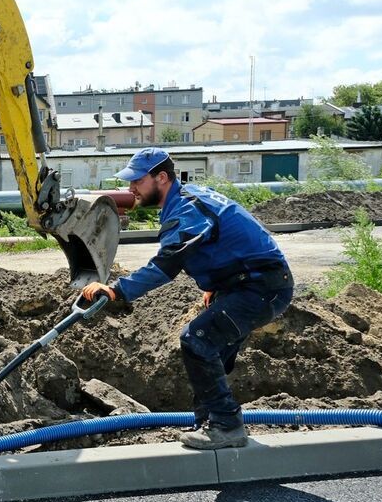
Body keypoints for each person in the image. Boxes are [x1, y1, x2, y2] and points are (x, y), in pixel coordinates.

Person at [80, 148, 294, 450]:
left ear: (161, 178)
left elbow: (167, 265)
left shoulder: (186, 209)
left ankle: (226, 426)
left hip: (261, 288)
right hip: (253, 284)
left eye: (137, 182)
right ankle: (209, 423)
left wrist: (116, 290)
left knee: (197, 340)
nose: (131, 189)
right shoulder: (187, 199)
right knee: (212, 352)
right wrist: (219, 285)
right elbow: (224, 242)